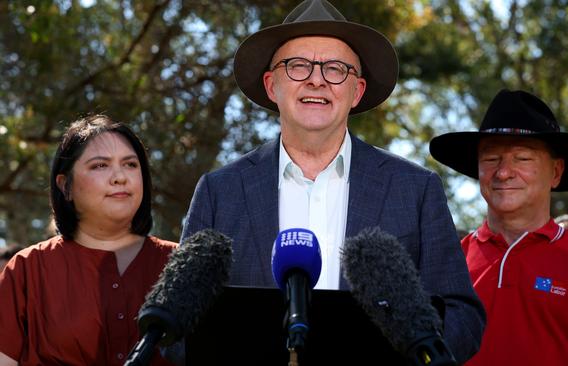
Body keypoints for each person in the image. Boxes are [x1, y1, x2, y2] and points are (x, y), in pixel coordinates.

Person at [181, 0, 485, 362]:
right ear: (271, 85)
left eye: (335, 69)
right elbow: (179, 323)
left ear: (356, 91)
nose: (316, 79)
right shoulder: (220, 191)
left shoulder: (416, 189)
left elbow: (463, 317)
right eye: (297, 66)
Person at [429, 89, 568, 365]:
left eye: (522, 158)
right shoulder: (447, 264)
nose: (503, 172)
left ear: (556, 172)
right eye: (491, 158)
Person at [0, 115, 177, 366]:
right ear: (65, 186)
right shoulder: (27, 270)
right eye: (100, 166)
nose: (120, 177)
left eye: (130, 164)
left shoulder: (181, 265)